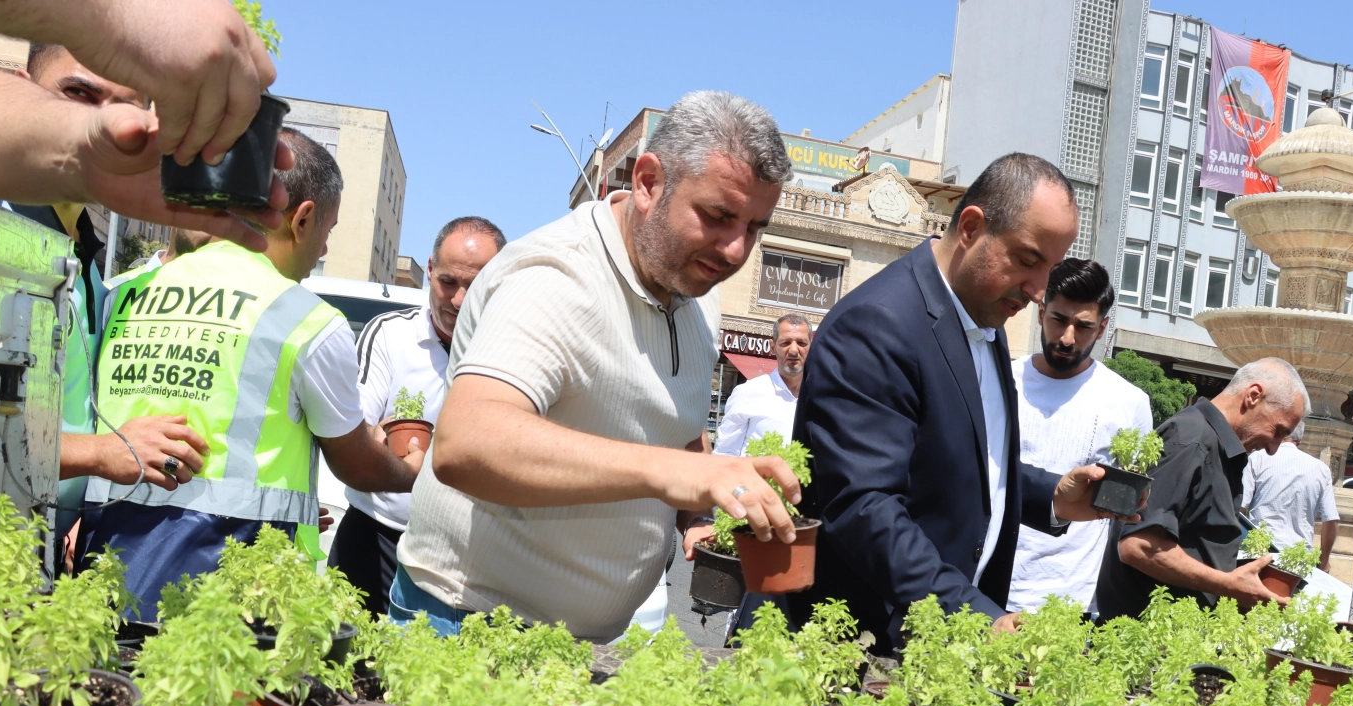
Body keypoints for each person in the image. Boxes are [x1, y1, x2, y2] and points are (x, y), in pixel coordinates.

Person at [394, 90, 799, 641]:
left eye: (755, 227)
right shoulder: (554, 277)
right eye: (718, 216)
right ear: (649, 182)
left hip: (579, 641)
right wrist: (680, 474)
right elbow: (468, 444)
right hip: (472, 625)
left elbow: (671, 426)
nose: (734, 250)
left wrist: (700, 512)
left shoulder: (696, 285)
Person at [783, 153, 1123, 653]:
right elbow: (863, 506)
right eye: (1028, 260)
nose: (1036, 292)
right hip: (867, 647)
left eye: (1048, 270)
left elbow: (957, 461)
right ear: (970, 227)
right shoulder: (879, 325)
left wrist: (1052, 496)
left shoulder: (985, 321)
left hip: (940, 645)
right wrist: (975, 616)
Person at [77, 130, 423, 614]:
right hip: (233, 580)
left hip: (106, 557)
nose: (323, 249)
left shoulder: (125, 292)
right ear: (302, 219)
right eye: (329, 229)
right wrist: (410, 472)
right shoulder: (307, 319)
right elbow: (356, 463)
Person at [5, 43, 209, 559]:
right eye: (77, 93)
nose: (102, 127)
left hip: (36, 562)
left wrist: (76, 508)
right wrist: (100, 454)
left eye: (125, 110)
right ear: (18, 88)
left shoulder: (89, 265)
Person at [0, 0, 290, 250]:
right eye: (78, 92)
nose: (108, 120)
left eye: (127, 107)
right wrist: (112, 14)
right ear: (24, 83)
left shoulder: (93, 278)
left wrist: (86, 160)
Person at [328, 215, 507, 616]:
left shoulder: (513, 351)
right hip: (376, 538)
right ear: (428, 271)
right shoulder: (390, 335)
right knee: (352, 670)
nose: (459, 300)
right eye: (448, 282)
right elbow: (356, 427)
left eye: (475, 286)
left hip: (465, 555)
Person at [1093, 357, 1309, 623]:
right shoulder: (1192, 439)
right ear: (1253, 396)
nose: (1274, 447)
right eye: (1278, 431)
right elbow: (1138, 546)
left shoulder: (1215, 445)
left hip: (1172, 642)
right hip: (1143, 647)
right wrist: (1229, 584)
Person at [1008, 259, 1152, 614]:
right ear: (1041, 311)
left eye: (1083, 326)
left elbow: (1133, 500)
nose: (1067, 338)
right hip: (993, 587)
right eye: (1059, 319)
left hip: (1074, 603)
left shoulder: (1129, 402)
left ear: (1102, 329)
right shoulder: (1002, 380)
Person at [1241, 424, 1340, 572]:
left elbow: (1239, 509)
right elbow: (1331, 521)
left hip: (1258, 552)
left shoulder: (1257, 459)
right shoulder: (1321, 469)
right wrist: (1323, 561)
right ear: (1299, 440)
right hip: (1298, 557)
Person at [712, 314, 810, 455]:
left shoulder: (820, 397)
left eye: (801, 343)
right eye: (785, 343)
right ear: (773, 347)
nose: (794, 350)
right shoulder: (747, 393)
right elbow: (725, 453)